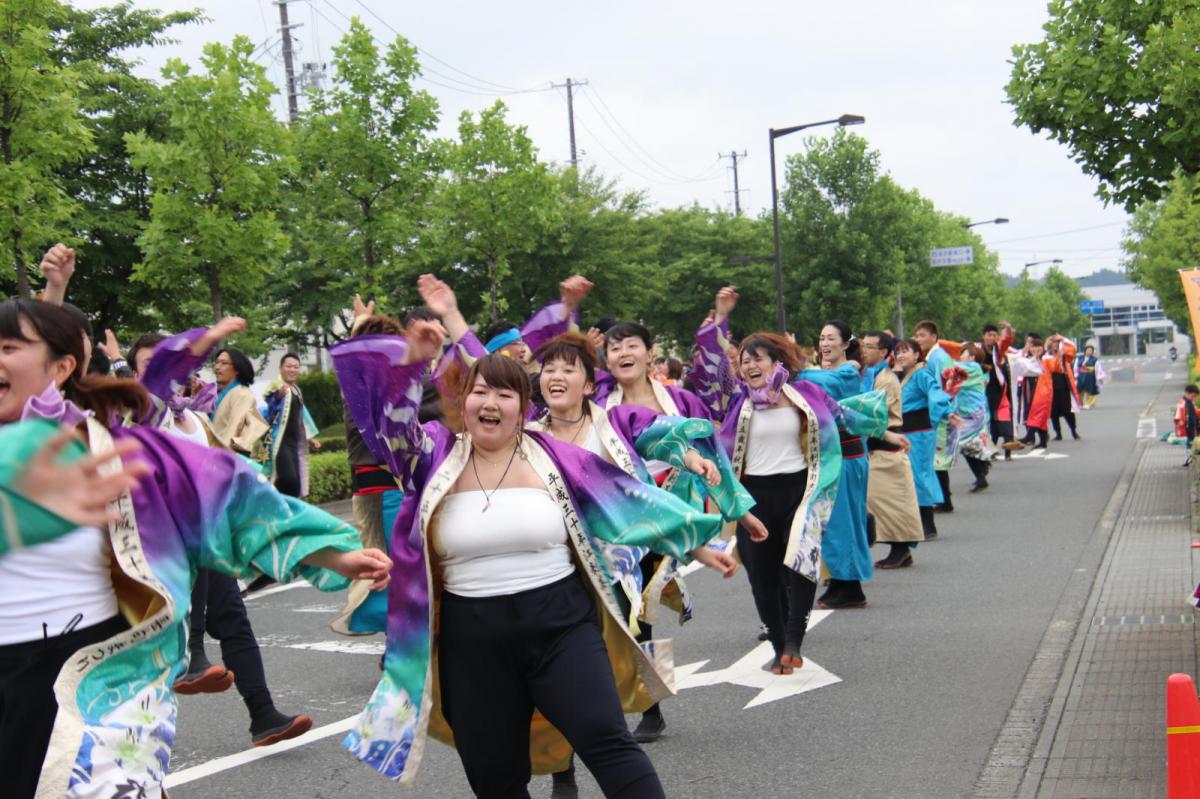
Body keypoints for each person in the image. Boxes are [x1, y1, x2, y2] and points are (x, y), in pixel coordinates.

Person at [331, 314, 738, 798]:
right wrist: (411, 362)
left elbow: (626, 502)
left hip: (561, 625)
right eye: (481, 392)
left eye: (506, 395)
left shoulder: (554, 458)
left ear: (523, 408)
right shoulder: (436, 454)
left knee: (608, 744)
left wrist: (696, 542)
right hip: (471, 637)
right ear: (463, 403)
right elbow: (386, 426)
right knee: (495, 776)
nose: (492, 403)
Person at [0, 298, 391, 799]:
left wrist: (331, 551)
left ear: (61, 366)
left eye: (9, 346)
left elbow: (232, 496)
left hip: (102, 675)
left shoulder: (120, 449)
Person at [422, 274, 761, 756]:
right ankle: (565, 768)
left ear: (588, 382)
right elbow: (484, 372)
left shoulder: (613, 419)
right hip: (556, 565)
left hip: (622, 553)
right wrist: (452, 316)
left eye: (569, 370)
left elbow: (658, 431)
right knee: (566, 675)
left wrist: (692, 462)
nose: (556, 377)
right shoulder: (529, 434)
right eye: (548, 370)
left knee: (632, 633)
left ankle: (645, 708)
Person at [133, 321, 323, 746]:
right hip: (160, 553)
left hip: (207, 543)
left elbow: (224, 472)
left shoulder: (196, 419)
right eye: (149, 367)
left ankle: (264, 715)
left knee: (236, 623)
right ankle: (187, 659)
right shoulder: (136, 421)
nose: (161, 374)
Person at [692, 288, 891, 668]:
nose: (750, 366)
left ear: (777, 361)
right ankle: (777, 642)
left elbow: (843, 416)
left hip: (800, 492)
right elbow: (711, 368)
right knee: (762, 579)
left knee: (800, 565)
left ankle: (793, 645)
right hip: (753, 499)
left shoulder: (806, 394)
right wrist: (719, 317)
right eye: (745, 361)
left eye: (758, 359)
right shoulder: (739, 400)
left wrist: (883, 427)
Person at [800, 320, 883, 609]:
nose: (825, 344)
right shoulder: (821, 373)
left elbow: (822, 386)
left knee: (843, 521)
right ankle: (839, 579)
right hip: (829, 457)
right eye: (822, 338)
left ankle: (851, 587)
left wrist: (787, 369)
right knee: (829, 522)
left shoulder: (849, 372)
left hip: (847, 456)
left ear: (846, 344)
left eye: (831, 338)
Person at [858, 331, 922, 568]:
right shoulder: (871, 375)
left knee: (892, 502)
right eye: (863, 345)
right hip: (878, 448)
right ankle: (898, 549)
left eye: (869, 347)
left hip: (887, 447)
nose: (864, 350)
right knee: (879, 502)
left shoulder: (885, 378)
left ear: (883, 352)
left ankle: (901, 548)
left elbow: (875, 414)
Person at [893, 339, 954, 543]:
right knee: (913, 475)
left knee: (921, 475)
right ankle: (919, 522)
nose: (900, 355)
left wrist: (946, 411)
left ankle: (928, 524)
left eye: (905, 352)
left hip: (919, 432)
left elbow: (935, 393)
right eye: (897, 352)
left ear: (917, 355)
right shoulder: (903, 375)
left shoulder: (921, 373)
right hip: (908, 431)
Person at [261, 352, 322, 498]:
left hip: (293, 443)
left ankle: (287, 512)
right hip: (279, 441)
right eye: (289, 366)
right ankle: (274, 503)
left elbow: (301, 417)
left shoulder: (296, 390)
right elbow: (269, 404)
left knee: (296, 484)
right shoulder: (276, 386)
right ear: (280, 368)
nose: (293, 370)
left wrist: (310, 438)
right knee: (289, 480)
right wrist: (278, 396)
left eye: (296, 367)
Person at [914, 320, 957, 513]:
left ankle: (944, 500)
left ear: (934, 336)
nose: (919, 339)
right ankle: (943, 498)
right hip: (936, 413)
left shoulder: (938, 357)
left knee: (937, 459)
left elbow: (949, 387)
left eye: (922, 335)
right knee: (936, 459)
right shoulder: (932, 357)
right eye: (917, 335)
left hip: (940, 414)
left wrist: (941, 411)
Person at [211, 346, 269, 455]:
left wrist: (220, 458)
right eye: (217, 362)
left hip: (225, 457)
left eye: (223, 363)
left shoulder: (242, 394)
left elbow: (233, 431)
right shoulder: (220, 393)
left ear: (237, 369)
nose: (217, 367)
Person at [1011, 335, 1050, 449]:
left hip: (1043, 391)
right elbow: (1021, 368)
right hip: (1031, 389)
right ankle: (1042, 441)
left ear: (1043, 348)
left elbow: (1039, 371)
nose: (1035, 349)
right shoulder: (1029, 359)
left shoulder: (1046, 359)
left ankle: (1029, 436)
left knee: (1036, 413)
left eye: (1038, 346)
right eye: (1033, 346)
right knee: (1035, 414)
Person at [1044, 334, 1081, 440]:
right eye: (1053, 344)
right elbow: (1050, 368)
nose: (1055, 346)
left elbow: (1073, 347)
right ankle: (1058, 433)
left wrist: (1062, 338)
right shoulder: (1046, 357)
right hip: (1051, 387)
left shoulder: (1065, 356)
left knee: (1068, 410)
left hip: (1064, 386)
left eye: (1057, 343)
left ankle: (1073, 431)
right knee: (1053, 412)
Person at [1176, 384, 1199, 466]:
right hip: (1188, 426)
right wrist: (1179, 421)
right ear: (1187, 393)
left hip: (1193, 425)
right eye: (1193, 396)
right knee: (1189, 443)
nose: (1194, 398)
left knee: (1192, 442)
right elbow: (1178, 413)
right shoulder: (1182, 402)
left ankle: (1191, 458)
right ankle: (1188, 459)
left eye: (1195, 396)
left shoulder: (1191, 402)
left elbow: (1196, 412)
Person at [1074, 344, 1102, 409]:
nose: (1089, 352)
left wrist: (1099, 376)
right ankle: (1080, 404)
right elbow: (1076, 367)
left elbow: (1098, 368)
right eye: (1088, 350)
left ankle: (1089, 403)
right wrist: (1075, 375)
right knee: (1080, 390)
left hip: (1091, 376)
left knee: (1090, 390)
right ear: (1085, 350)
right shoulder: (1079, 358)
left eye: (1091, 350)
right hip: (1081, 376)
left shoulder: (1095, 360)